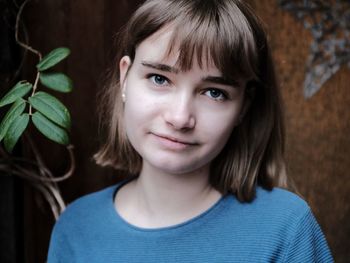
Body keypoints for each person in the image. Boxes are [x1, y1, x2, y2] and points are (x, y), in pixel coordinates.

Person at [47, 0, 333, 262]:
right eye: (159, 78)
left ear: (244, 107)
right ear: (125, 78)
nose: (180, 117)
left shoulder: (286, 229)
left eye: (214, 93)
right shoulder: (76, 228)